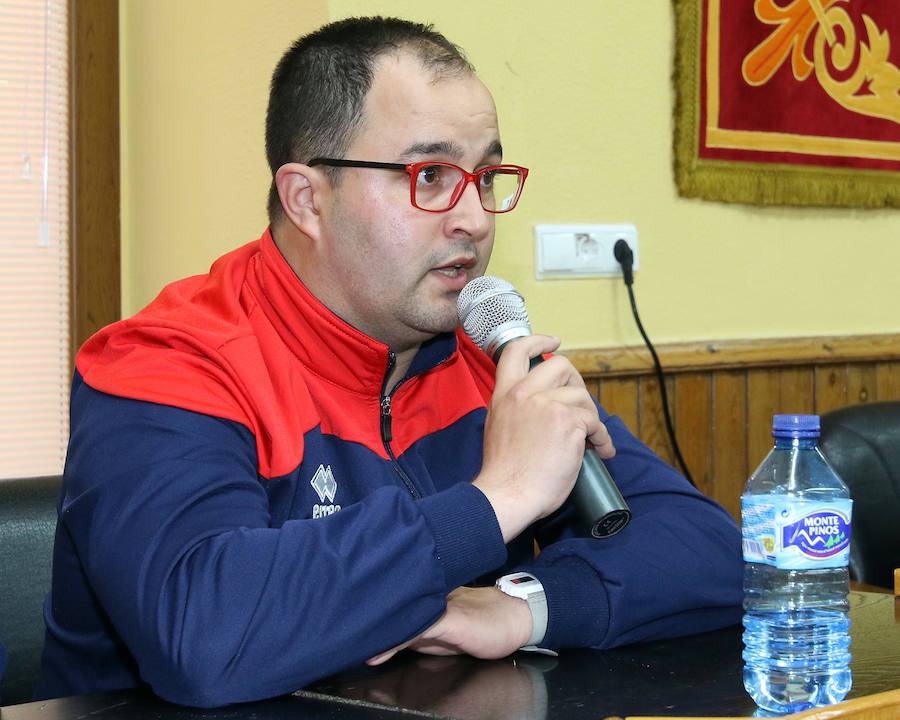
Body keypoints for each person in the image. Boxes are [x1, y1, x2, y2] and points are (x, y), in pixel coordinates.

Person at [37, 16, 742, 708]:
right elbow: (203, 635)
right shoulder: (167, 362)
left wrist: (526, 605)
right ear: (307, 199)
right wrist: (497, 501)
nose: (474, 218)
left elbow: (712, 553)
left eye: (486, 176)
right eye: (430, 175)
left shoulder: (482, 357)